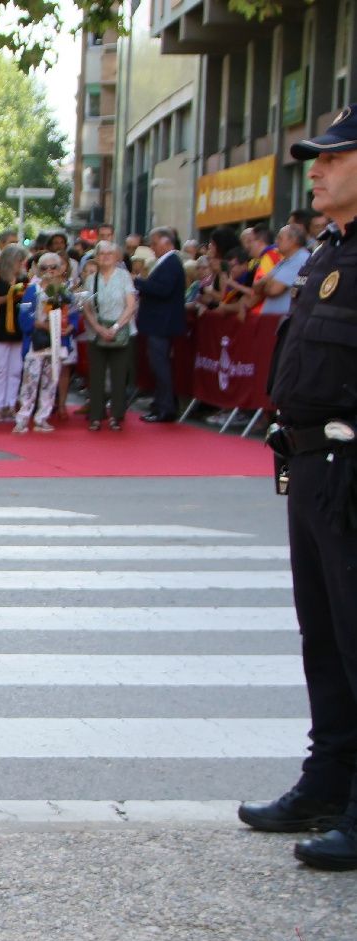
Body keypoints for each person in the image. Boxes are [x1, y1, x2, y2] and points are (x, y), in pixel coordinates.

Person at [239, 112, 357, 871]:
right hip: (313, 466)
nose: (315, 170)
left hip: (352, 467)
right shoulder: (330, 252)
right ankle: (327, 782)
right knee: (325, 640)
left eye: (333, 158)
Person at [75, 239, 138, 431]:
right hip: (96, 332)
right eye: (101, 254)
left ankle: (117, 415)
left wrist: (117, 326)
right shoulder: (91, 278)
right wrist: (98, 327)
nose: (105, 258)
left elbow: (131, 304)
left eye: (109, 255)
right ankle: (96, 414)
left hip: (122, 330)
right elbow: (86, 307)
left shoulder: (123, 276)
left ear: (116, 257)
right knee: (96, 375)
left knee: (119, 375)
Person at [132, 225, 186, 422]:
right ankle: (161, 403)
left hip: (162, 324)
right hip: (158, 323)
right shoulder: (166, 262)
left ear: (166, 242)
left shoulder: (171, 263)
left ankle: (165, 407)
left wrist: (138, 282)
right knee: (157, 364)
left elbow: (162, 290)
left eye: (154, 243)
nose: (152, 247)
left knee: (160, 364)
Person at [12, 252, 69, 434]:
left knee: (51, 381)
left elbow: (73, 314)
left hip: (57, 342)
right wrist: (42, 325)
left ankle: (42, 417)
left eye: (53, 267)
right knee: (30, 380)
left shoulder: (64, 290)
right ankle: (22, 418)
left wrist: (69, 327)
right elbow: (24, 317)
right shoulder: (32, 290)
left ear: (60, 269)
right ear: (38, 269)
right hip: (36, 342)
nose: (49, 271)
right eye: (45, 268)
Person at [0, 245, 27, 421]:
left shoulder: (22, 277)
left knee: (15, 369)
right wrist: (8, 297)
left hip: (18, 328)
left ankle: (10, 404)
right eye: (18, 260)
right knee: (0, 368)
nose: (21, 264)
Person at [259, 223, 311, 316]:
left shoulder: (301, 259)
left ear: (293, 240)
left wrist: (265, 283)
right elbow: (256, 287)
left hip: (284, 320)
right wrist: (266, 283)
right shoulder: (285, 260)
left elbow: (273, 290)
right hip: (274, 319)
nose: (276, 241)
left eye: (280, 238)